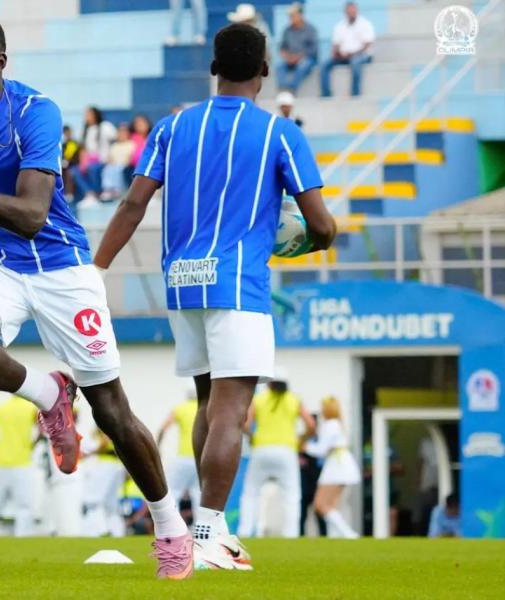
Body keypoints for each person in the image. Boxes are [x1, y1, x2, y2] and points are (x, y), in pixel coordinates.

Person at [0, 11, 192, 578]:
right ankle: (48, 393)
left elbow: (34, 215)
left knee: (112, 412)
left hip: (59, 267)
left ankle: (171, 530)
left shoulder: (36, 113)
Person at [93, 22, 335, 570]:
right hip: (238, 285)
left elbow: (132, 204)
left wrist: (97, 268)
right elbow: (320, 225)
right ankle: (207, 534)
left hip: (182, 283)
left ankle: (207, 530)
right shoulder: (280, 133)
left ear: (213, 68)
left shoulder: (172, 127)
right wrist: (311, 239)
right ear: (265, 70)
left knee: (207, 403)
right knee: (231, 411)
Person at [239, 371, 316, 539]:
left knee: (251, 492)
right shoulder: (294, 399)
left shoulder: (259, 399)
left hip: (261, 449)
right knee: (292, 495)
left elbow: (245, 424)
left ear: (269, 383)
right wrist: (301, 439)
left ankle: (245, 531)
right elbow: (311, 424)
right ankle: (291, 534)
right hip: (286, 450)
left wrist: (252, 438)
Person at [0, 395, 38, 536]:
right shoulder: (30, 408)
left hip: (0, 462)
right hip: (22, 462)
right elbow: (42, 430)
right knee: (24, 505)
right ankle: (23, 535)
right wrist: (32, 446)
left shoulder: (0, 407)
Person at [303, 396, 360, 538]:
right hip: (338, 465)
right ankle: (334, 536)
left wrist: (304, 446)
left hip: (337, 467)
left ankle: (348, 534)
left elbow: (320, 450)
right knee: (331, 505)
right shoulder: (337, 424)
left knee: (320, 504)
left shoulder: (330, 425)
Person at [157, 390, 201, 517]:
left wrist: (158, 448)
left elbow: (163, 429)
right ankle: (199, 526)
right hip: (200, 460)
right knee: (198, 495)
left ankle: (172, 524)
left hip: (184, 458)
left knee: (173, 492)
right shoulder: (204, 409)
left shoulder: (181, 408)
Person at [320, 2, 375, 97]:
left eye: (353, 11)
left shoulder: (365, 24)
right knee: (324, 65)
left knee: (355, 62)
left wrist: (352, 54)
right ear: (345, 12)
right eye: (349, 11)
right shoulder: (339, 26)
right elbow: (336, 44)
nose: (351, 13)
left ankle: (355, 94)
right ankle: (326, 94)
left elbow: (367, 45)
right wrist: (337, 53)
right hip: (343, 56)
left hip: (361, 55)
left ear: (357, 11)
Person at [82, 430, 126, 537]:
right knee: (111, 503)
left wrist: (90, 453)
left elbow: (105, 441)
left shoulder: (105, 424)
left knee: (93, 500)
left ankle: (99, 530)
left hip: (106, 464)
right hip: (117, 465)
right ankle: (117, 532)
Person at [73, 106, 117, 206]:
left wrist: (111, 157)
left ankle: (97, 193)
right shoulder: (84, 130)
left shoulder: (105, 126)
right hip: (89, 160)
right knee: (75, 171)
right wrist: (83, 162)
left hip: (104, 160)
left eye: (89, 114)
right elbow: (82, 148)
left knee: (93, 169)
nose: (87, 117)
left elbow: (115, 141)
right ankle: (90, 194)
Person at [276, 3, 318, 93]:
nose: (291, 18)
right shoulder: (287, 30)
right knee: (279, 66)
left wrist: (298, 57)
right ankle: (283, 90)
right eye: (290, 16)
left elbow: (313, 49)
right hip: (290, 59)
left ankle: (291, 90)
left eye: (293, 15)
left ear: (300, 15)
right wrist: (287, 57)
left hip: (306, 59)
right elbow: (282, 47)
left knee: (302, 66)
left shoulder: (310, 29)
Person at [100, 123, 135, 201]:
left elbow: (131, 157)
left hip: (125, 165)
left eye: (124, 131)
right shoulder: (114, 145)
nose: (122, 134)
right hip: (114, 165)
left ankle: (117, 189)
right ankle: (108, 190)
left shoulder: (131, 144)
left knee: (118, 170)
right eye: (120, 131)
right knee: (107, 169)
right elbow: (110, 158)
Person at [61, 125, 81, 203]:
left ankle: (69, 193)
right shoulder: (63, 144)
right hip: (65, 166)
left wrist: (67, 162)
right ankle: (62, 193)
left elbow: (73, 156)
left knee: (70, 172)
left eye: (68, 132)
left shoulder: (74, 143)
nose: (67, 134)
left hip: (75, 165)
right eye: (65, 133)